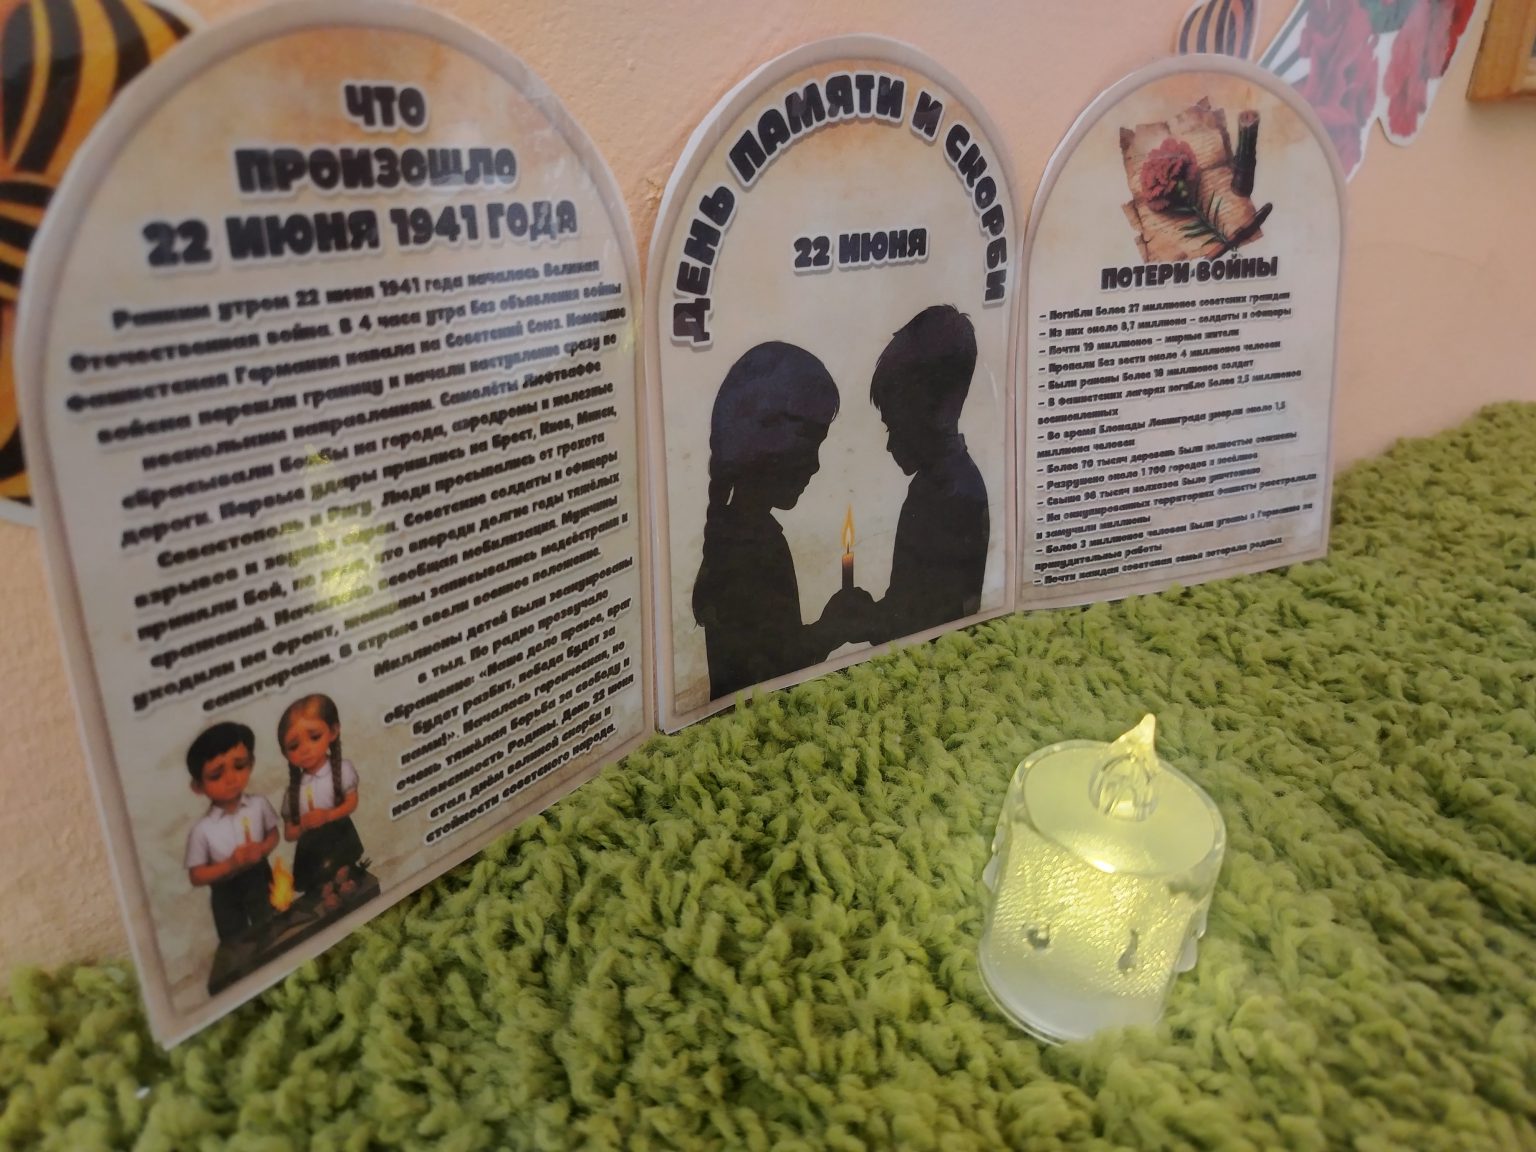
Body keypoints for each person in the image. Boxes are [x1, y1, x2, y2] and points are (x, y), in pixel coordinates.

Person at [692, 341, 872, 700]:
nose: (815, 464)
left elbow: (774, 654)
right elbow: (772, 676)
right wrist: (832, 628)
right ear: (761, 439)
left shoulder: (741, 533)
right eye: (807, 442)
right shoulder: (753, 547)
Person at [863, 305, 990, 642]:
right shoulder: (942, 484)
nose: (889, 444)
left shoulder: (948, 496)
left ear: (924, 412)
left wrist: (861, 619)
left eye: (893, 425)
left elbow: (919, 624)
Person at [183, 721, 279, 943]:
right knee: (236, 941)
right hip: (225, 891)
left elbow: (273, 834)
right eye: (216, 775)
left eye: (239, 766)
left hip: (259, 876)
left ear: (251, 763)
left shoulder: (258, 805)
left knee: (271, 927)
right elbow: (196, 875)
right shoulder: (202, 829)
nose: (231, 779)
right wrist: (230, 864)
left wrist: (262, 849)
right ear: (198, 786)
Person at [277, 694, 365, 894]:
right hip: (311, 854)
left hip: (340, 841)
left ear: (332, 732)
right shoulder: (293, 792)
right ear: (285, 753)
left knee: (346, 880)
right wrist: (302, 825)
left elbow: (352, 802)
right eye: (294, 746)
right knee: (321, 891)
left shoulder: (342, 770)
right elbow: (289, 833)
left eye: (314, 737)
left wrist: (327, 815)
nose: (305, 749)